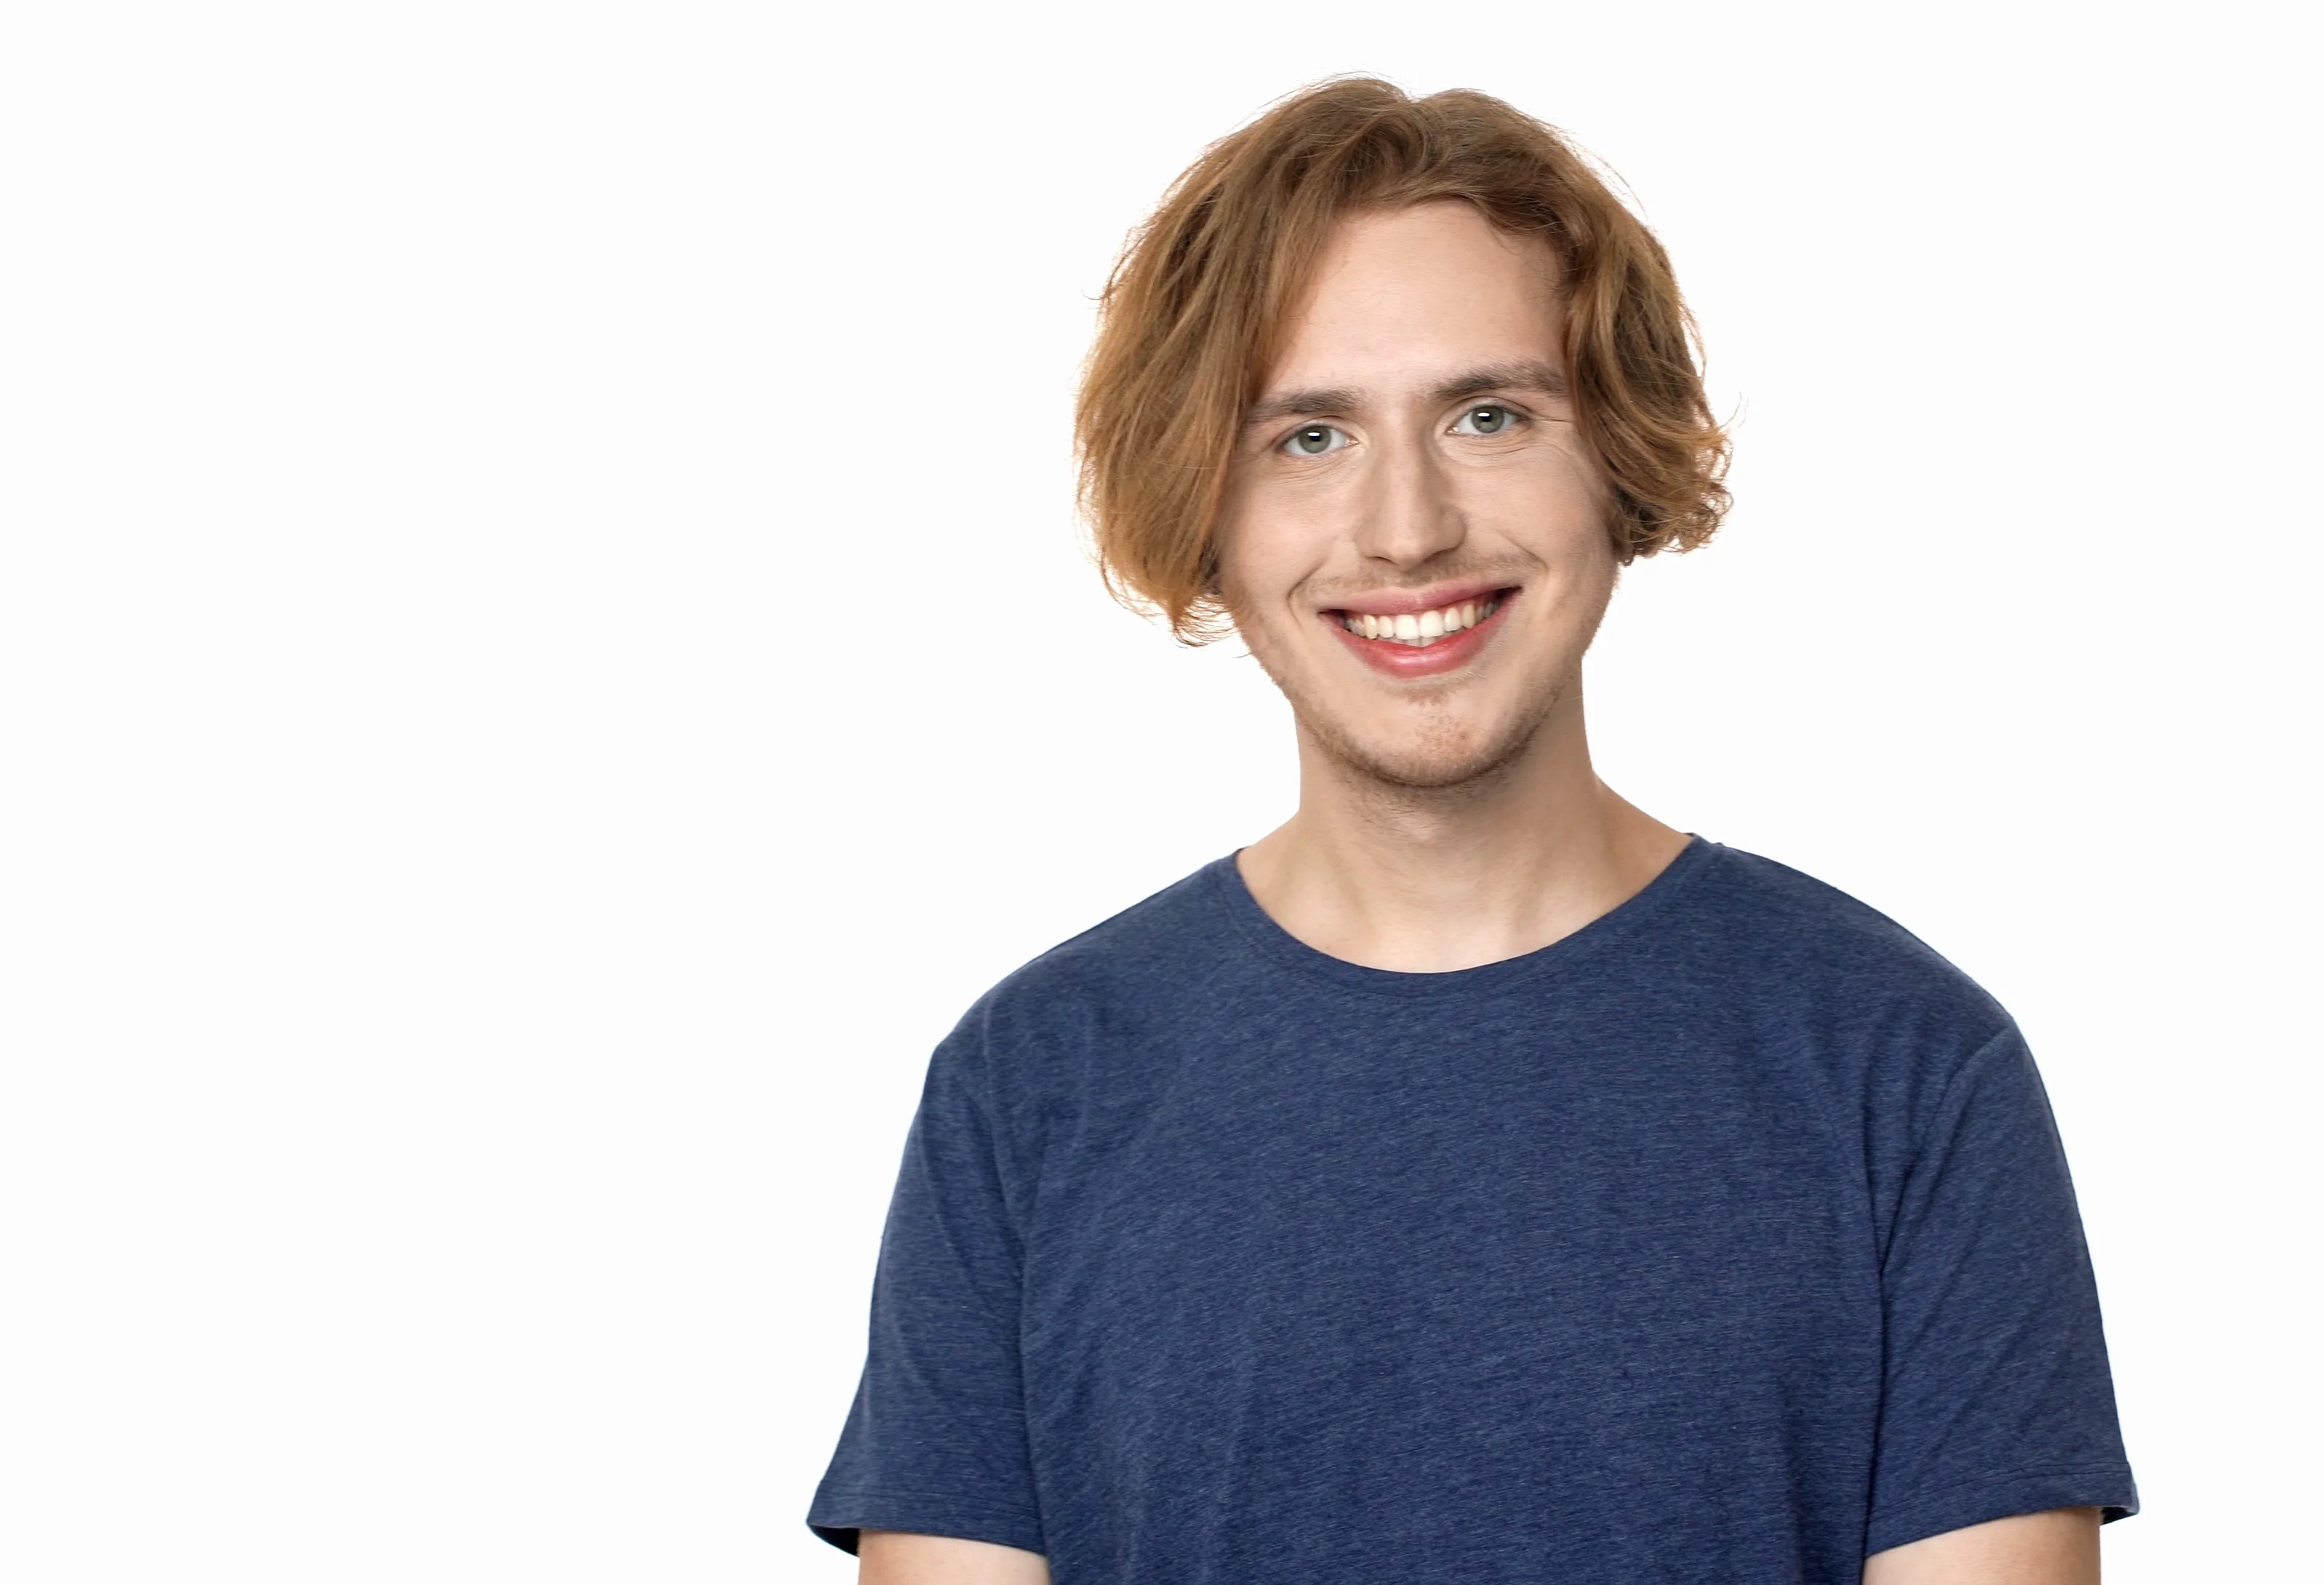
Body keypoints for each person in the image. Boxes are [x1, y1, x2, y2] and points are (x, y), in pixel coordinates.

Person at [808, 77, 2136, 1585]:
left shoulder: (1901, 1069)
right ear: (1209, 511)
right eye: (1307, 437)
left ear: (1616, 461)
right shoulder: (1032, 1089)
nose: (1408, 526)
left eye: (1489, 415)